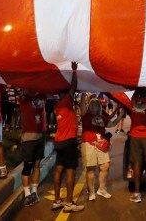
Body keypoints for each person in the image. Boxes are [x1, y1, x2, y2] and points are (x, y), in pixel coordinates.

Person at [51, 64, 84, 213]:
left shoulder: (57, 106)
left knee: (58, 170)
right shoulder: (65, 102)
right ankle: (69, 203)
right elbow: (74, 86)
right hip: (68, 141)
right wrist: (74, 71)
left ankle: (57, 201)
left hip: (59, 142)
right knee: (70, 171)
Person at [81, 95, 120, 202]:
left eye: (97, 104)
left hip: (102, 143)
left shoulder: (102, 116)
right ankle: (91, 191)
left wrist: (121, 115)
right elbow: (82, 106)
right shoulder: (85, 115)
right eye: (92, 104)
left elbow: (112, 123)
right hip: (88, 144)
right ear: (89, 106)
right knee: (91, 169)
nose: (95, 106)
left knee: (105, 166)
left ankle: (102, 189)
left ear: (99, 107)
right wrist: (83, 93)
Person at [18, 89, 47, 207]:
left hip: (40, 135)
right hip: (28, 137)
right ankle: (27, 194)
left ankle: (34, 192)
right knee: (27, 167)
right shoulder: (24, 98)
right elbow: (22, 91)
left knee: (37, 165)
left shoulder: (42, 94)